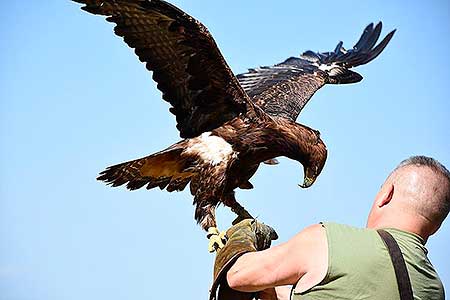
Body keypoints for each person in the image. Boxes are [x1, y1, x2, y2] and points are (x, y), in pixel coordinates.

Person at [220, 155, 449, 300]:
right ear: (436, 227)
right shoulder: (434, 288)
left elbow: (238, 276)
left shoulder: (329, 241)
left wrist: (243, 234)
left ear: (386, 194)